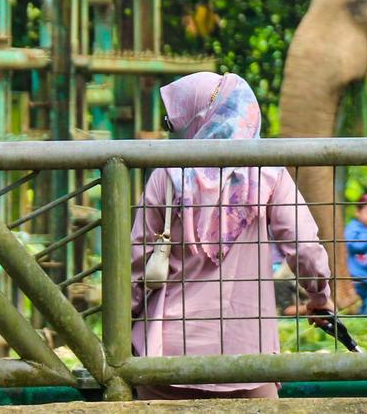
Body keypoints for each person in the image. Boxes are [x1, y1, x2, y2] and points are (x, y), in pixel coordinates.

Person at [131, 71, 332, 401]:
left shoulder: (166, 176)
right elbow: (305, 247)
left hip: (167, 358)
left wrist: (125, 322)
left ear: (197, 118)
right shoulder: (268, 173)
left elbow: (136, 264)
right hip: (249, 357)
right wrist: (319, 297)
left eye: (172, 121)